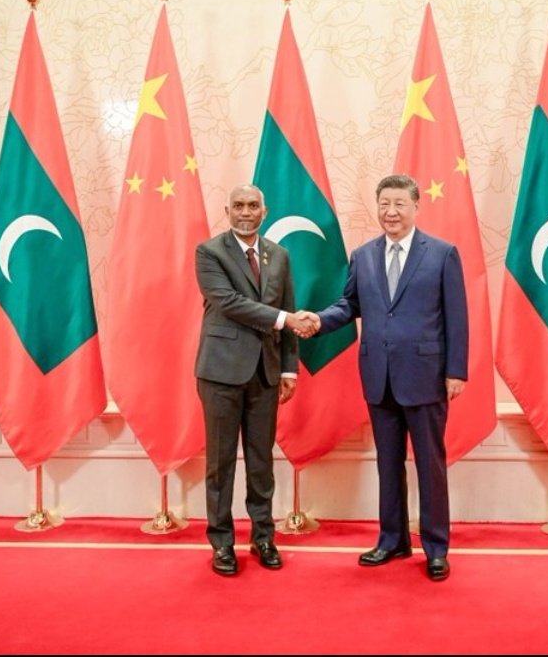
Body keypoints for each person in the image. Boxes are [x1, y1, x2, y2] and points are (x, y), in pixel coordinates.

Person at [301, 174, 467, 582]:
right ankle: (391, 539)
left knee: (430, 465)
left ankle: (435, 547)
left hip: (426, 375)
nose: (391, 212)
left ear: (416, 207)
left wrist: (456, 371)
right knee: (387, 464)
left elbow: (457, 318)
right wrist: (317, 321)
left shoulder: (442, 253)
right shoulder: (363, 255)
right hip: (378, 375)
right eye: (384, 204)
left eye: (399, 204)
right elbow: (349, 305)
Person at [194, 183, 314, 576]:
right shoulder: (209, 252)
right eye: (238, 206)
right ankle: (222, 543)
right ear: (227, 211)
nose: (246, 212)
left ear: (266, 211)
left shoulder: (279, 255)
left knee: (261, 462)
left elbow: (288, 307)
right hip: (221, 374)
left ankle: (264, 536)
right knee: (220, 463)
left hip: (265, 372)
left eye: (253, 206)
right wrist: (284, 320)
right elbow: (229, 303)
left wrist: (288, 368)